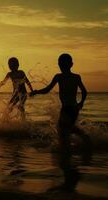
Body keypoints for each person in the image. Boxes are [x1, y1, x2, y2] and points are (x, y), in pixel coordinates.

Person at [31, 53, 92, 191]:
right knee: (67, 129)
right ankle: (83, 142)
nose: (60, 65)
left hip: (67, 108)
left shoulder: (59, 76)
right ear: (71, 64)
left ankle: (67, 156)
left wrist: (35, 92)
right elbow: (84, 91)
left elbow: (47, 90)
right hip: (74, 108)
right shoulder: (76, 77)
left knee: (63, 132)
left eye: (60, 63)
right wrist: (81, 103)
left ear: (61, 64)